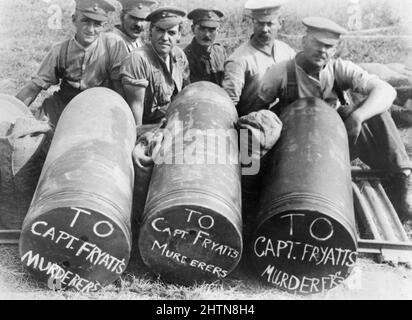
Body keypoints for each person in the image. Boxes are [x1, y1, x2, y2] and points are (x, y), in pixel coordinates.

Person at [258, 16, 412, 221]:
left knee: (378, 112)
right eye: (317, 43)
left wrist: (358, 116)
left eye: (328, 46)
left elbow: (386, 91)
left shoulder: (339, 68)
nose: (322, 50)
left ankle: (400, 180)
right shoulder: (279, 72)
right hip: (295, 148)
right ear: (304, 41)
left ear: (335, 49)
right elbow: (256, 111)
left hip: (335, 143)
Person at [15, 0, 128, 127]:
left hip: (98, 107)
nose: (91, 30)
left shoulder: (112, 45)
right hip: (64, 104)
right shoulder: (60, 50)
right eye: (85, 21)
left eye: (97, 24)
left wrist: (122, 120)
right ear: (74, 20)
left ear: (103, 26)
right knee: (34, 134)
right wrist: (10, 112)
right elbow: (34, 87)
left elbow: (120, 88)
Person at [222, 0, 295, 117]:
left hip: (283, 124)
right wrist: (242, 133)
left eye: (270, 23)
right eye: (259, 23)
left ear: (280, 23)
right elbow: (228, 106)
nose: (264, 29)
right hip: (250, 127)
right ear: (253, 22)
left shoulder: (286, 51)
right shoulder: (239, 60)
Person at [120, 6, 190, 126]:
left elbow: (187, 94)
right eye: (160, 30)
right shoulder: (138, 59)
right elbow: (136, 111)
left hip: (173, 121)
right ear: (151, 31)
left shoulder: (179, 56)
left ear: (179, 36)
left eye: (171, 33)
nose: (164, 38)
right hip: (148, 127)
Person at [183, 8, 226, 85]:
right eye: (202, 29)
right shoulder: (184, 57)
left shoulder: (220, 51)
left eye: (212, 30)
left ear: (218, 31)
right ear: (193, 29)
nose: (207, 35)